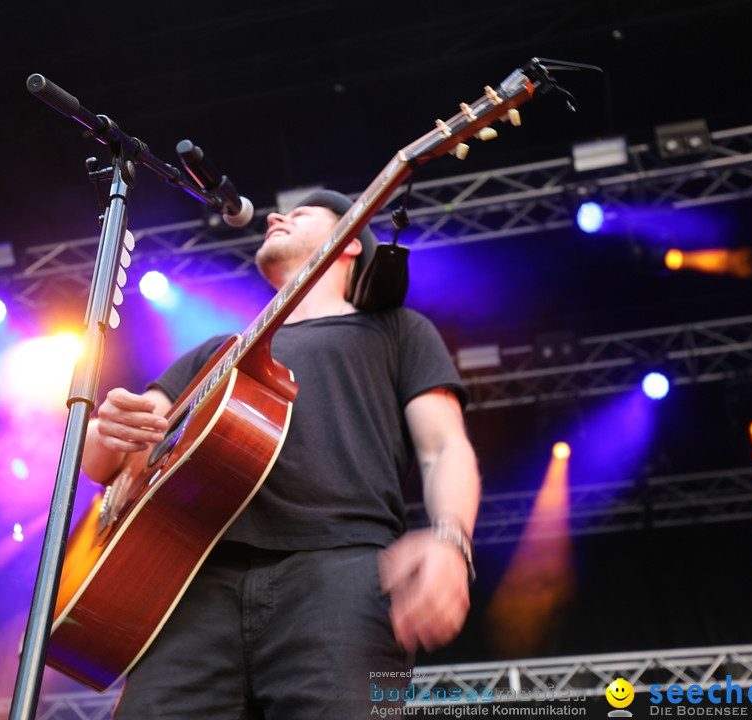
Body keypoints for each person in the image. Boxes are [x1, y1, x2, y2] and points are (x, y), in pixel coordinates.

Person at [81, 189, 480, 718]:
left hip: (341, 576)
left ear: (350, 244)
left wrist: (452, 539)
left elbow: (444, 445)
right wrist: (108, 426)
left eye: (301, 213)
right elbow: (102, 463)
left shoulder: (397, 331)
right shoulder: (217, 353)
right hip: (191, 587)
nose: (274, 216)